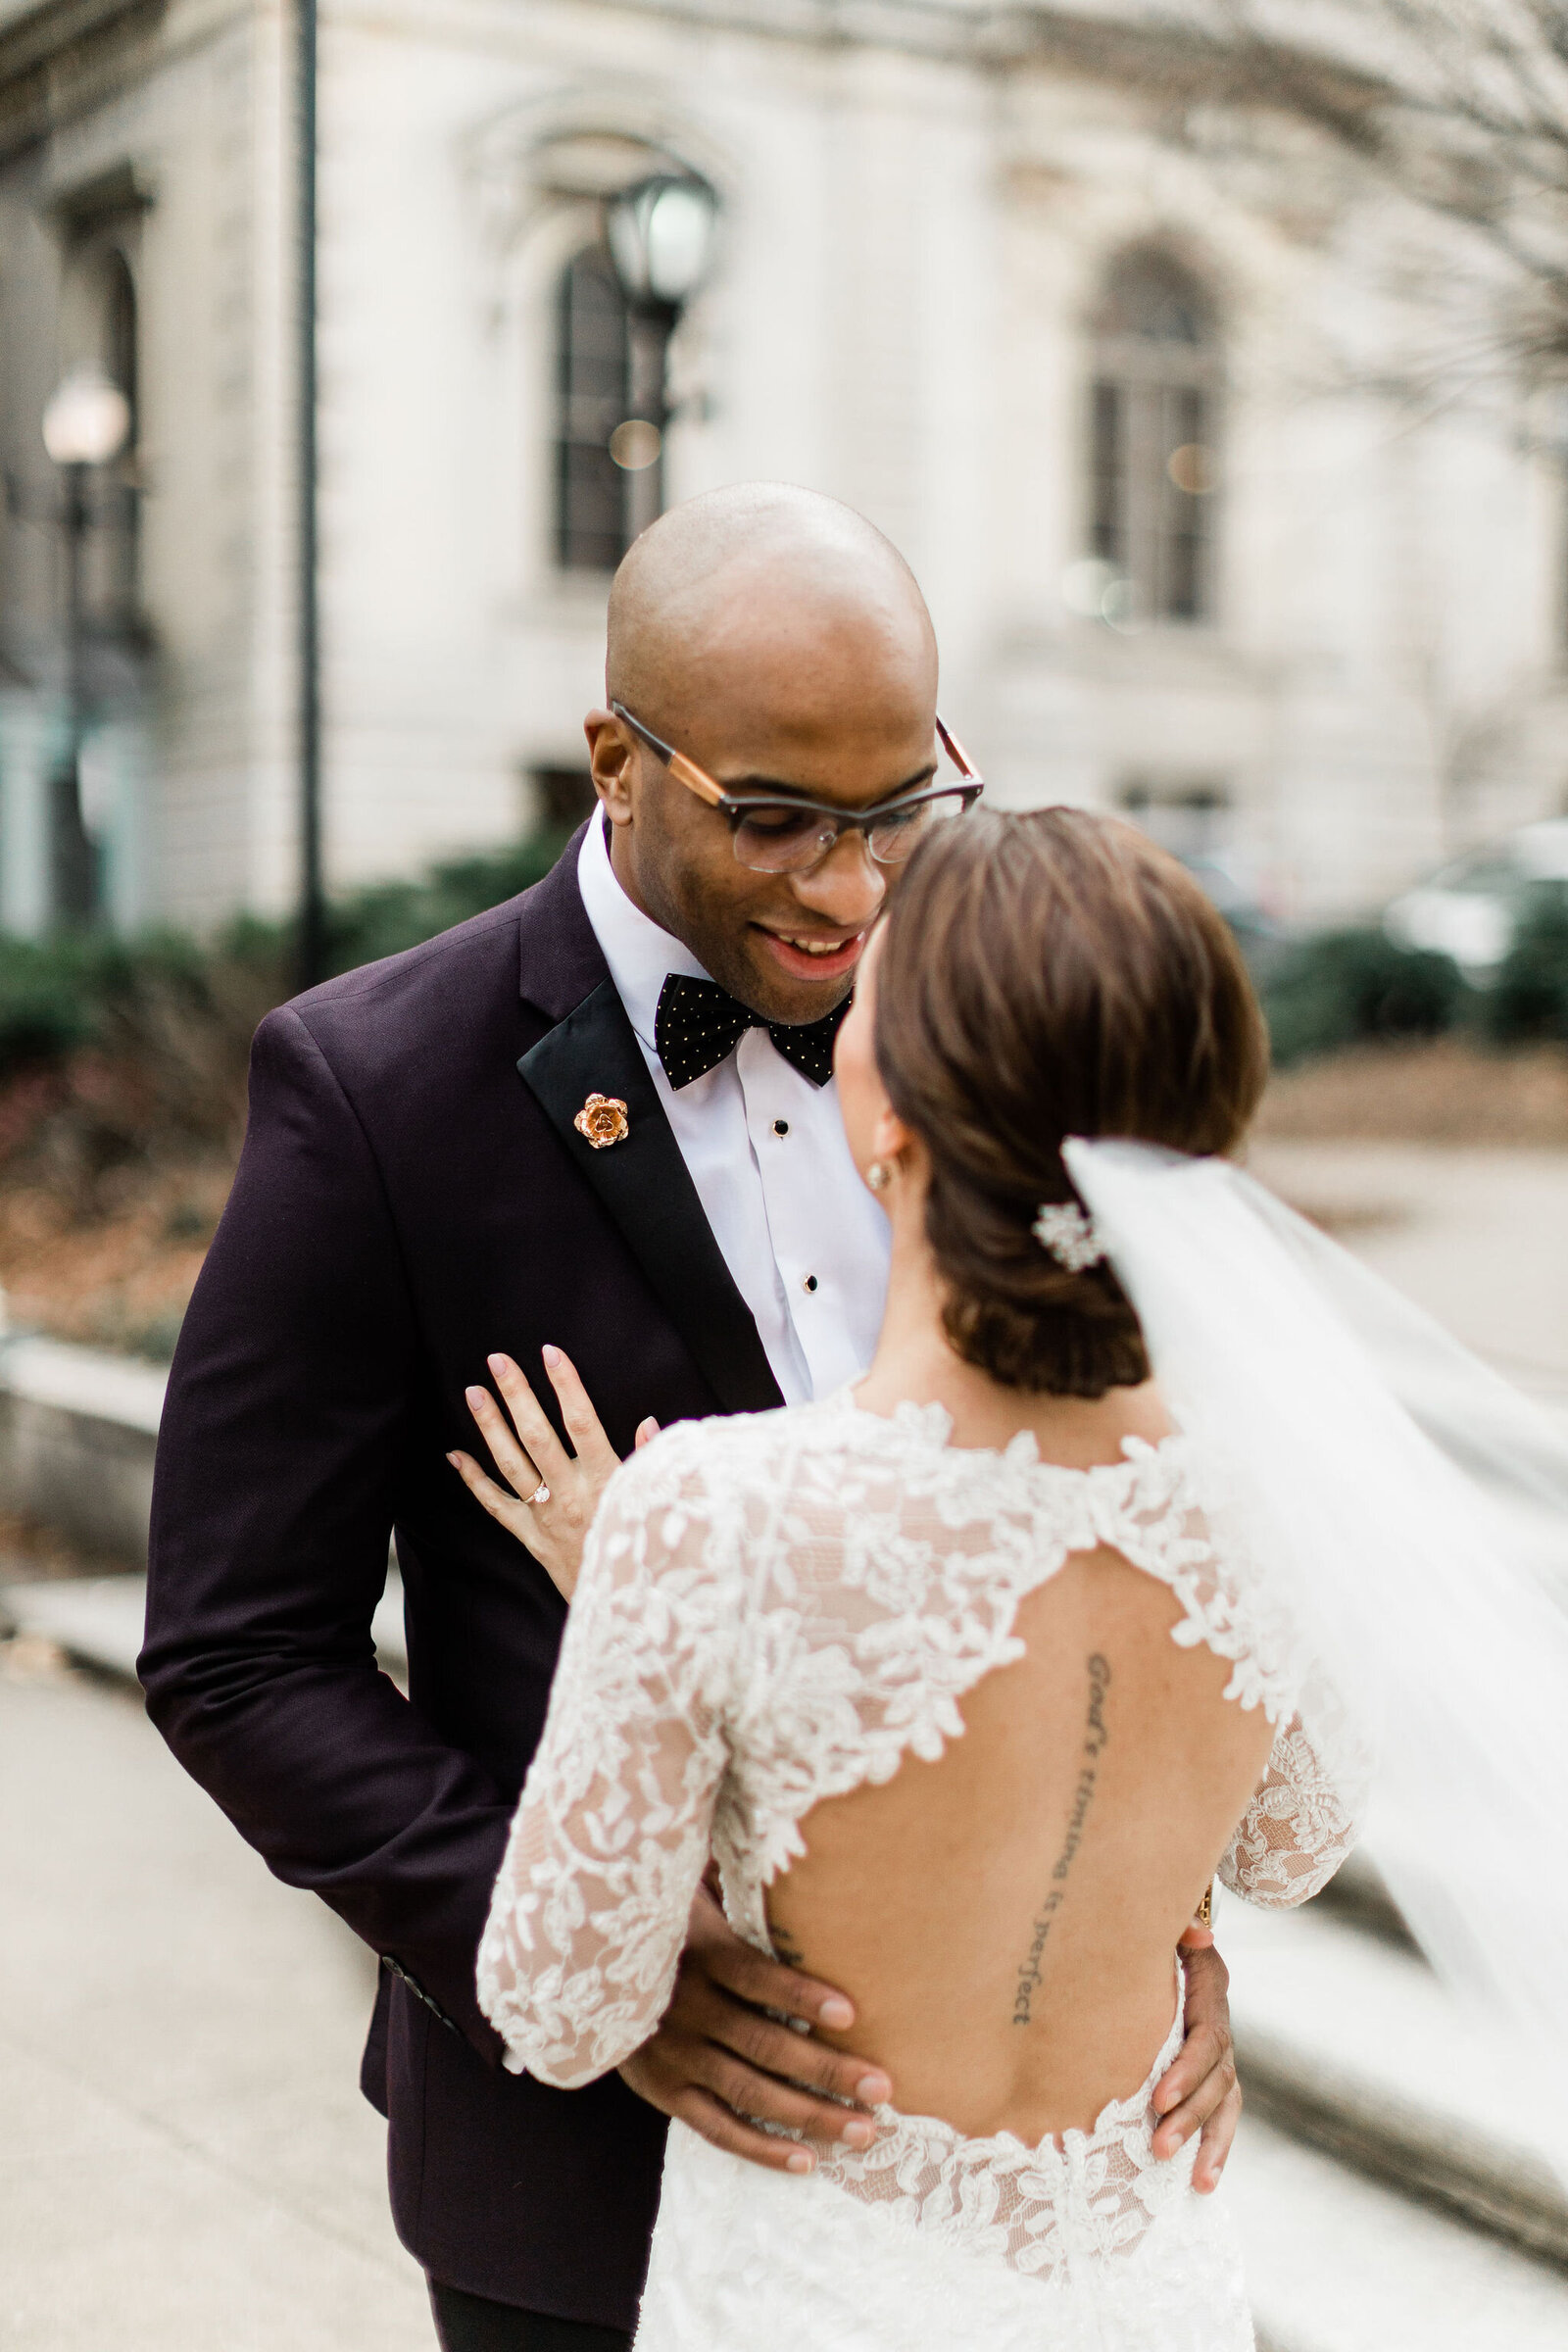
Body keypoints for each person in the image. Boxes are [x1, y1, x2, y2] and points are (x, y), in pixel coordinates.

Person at [138, 486, 1241, 2350]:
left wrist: (1146, 1923)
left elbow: (1106, 1545)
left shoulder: (986, 1036)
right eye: (778, 820)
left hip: (1009, 2208)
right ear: (615, 763)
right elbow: (241, 1653)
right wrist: (591, 1961)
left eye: (901, 811)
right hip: (580, 2192)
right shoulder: (374, 1088)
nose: (850, 889)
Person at [466, 808, 1367, 2350]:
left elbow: (558, 2014)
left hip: (816, 2303)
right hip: (1147, 2292)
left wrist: (641, 1589)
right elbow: (1287, 1849)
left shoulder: (710, 1520)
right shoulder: (1283, 1494)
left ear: (888, 1120)